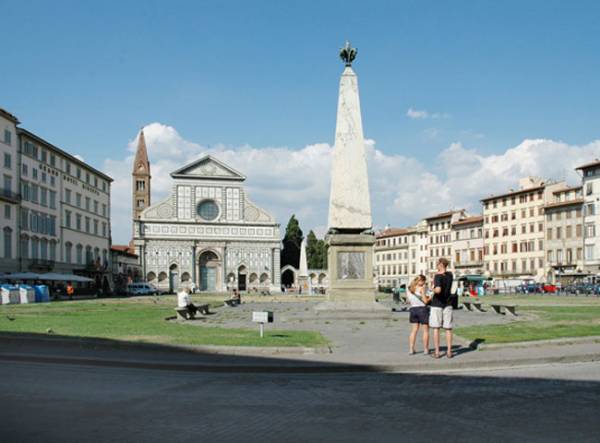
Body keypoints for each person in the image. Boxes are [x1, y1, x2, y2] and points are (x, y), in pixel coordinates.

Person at [429, 257, 454, 359]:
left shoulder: (437, 276)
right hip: (448, 303)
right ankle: (449, 352)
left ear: (440, 264)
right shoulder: (450, 275)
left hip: (437, 304)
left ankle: (437, 352)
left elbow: (438, 290)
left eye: (437, 264)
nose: (436, 265)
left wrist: (432, 288)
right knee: (448, 328)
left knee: (436, 328)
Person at [407, 274, 430, 355]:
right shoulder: (422, 289)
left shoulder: (409, 289)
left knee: (414, 331)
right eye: (424, 281)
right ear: (421, 281)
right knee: (425, 331)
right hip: (422, 309)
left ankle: (411, 349)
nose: (424, 283)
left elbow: (409, 301)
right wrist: (431, 297)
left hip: (413, 309)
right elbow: (425, 301)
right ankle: (426, 349)